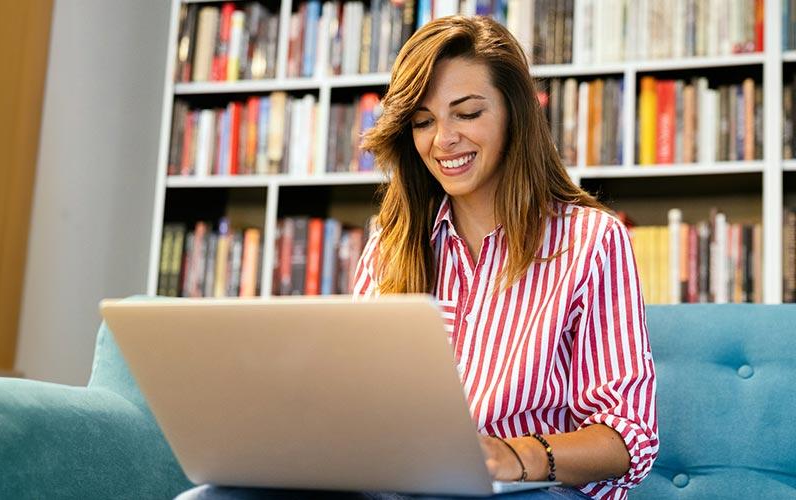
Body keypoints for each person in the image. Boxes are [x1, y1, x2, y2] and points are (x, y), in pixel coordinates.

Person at [178, 14, 657, 500]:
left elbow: (627, 436)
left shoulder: (591, 241)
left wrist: (514, 457)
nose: (442, 139)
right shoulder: (392, 243)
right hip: (398, 485)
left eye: (467, 113)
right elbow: (358, 398)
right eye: (423, 121)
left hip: (527, 492)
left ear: (516, 114)